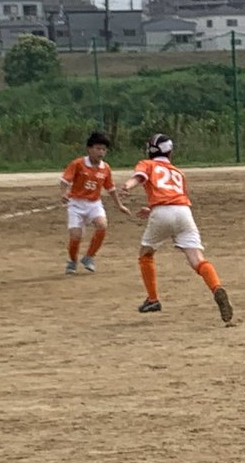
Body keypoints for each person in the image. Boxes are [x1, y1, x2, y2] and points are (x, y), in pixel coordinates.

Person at [118, 133, 234, 325]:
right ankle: (216, 288)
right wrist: (152, 208)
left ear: (149, 151)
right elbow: (173, 196)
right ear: (170, 153)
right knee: (197, 259)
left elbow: (139, 177)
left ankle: (153, 300)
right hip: (184, 213)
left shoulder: (147, 164)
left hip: (161, 213)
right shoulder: (178, 172)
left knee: (146, 254)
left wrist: (127, 187)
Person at [59, 131, 131, 274]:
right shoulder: (78, 164)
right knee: (76, 236)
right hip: (76, 204)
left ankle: (89, 257)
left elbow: (110, 188)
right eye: (98, 148)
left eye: (104, 149)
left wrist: (119, 205)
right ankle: (72, 261)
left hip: (94, 203)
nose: (101, 152)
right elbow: (65, 181)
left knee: (102, 225)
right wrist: (63, 193)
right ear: (89, 149)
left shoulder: (105, 168)